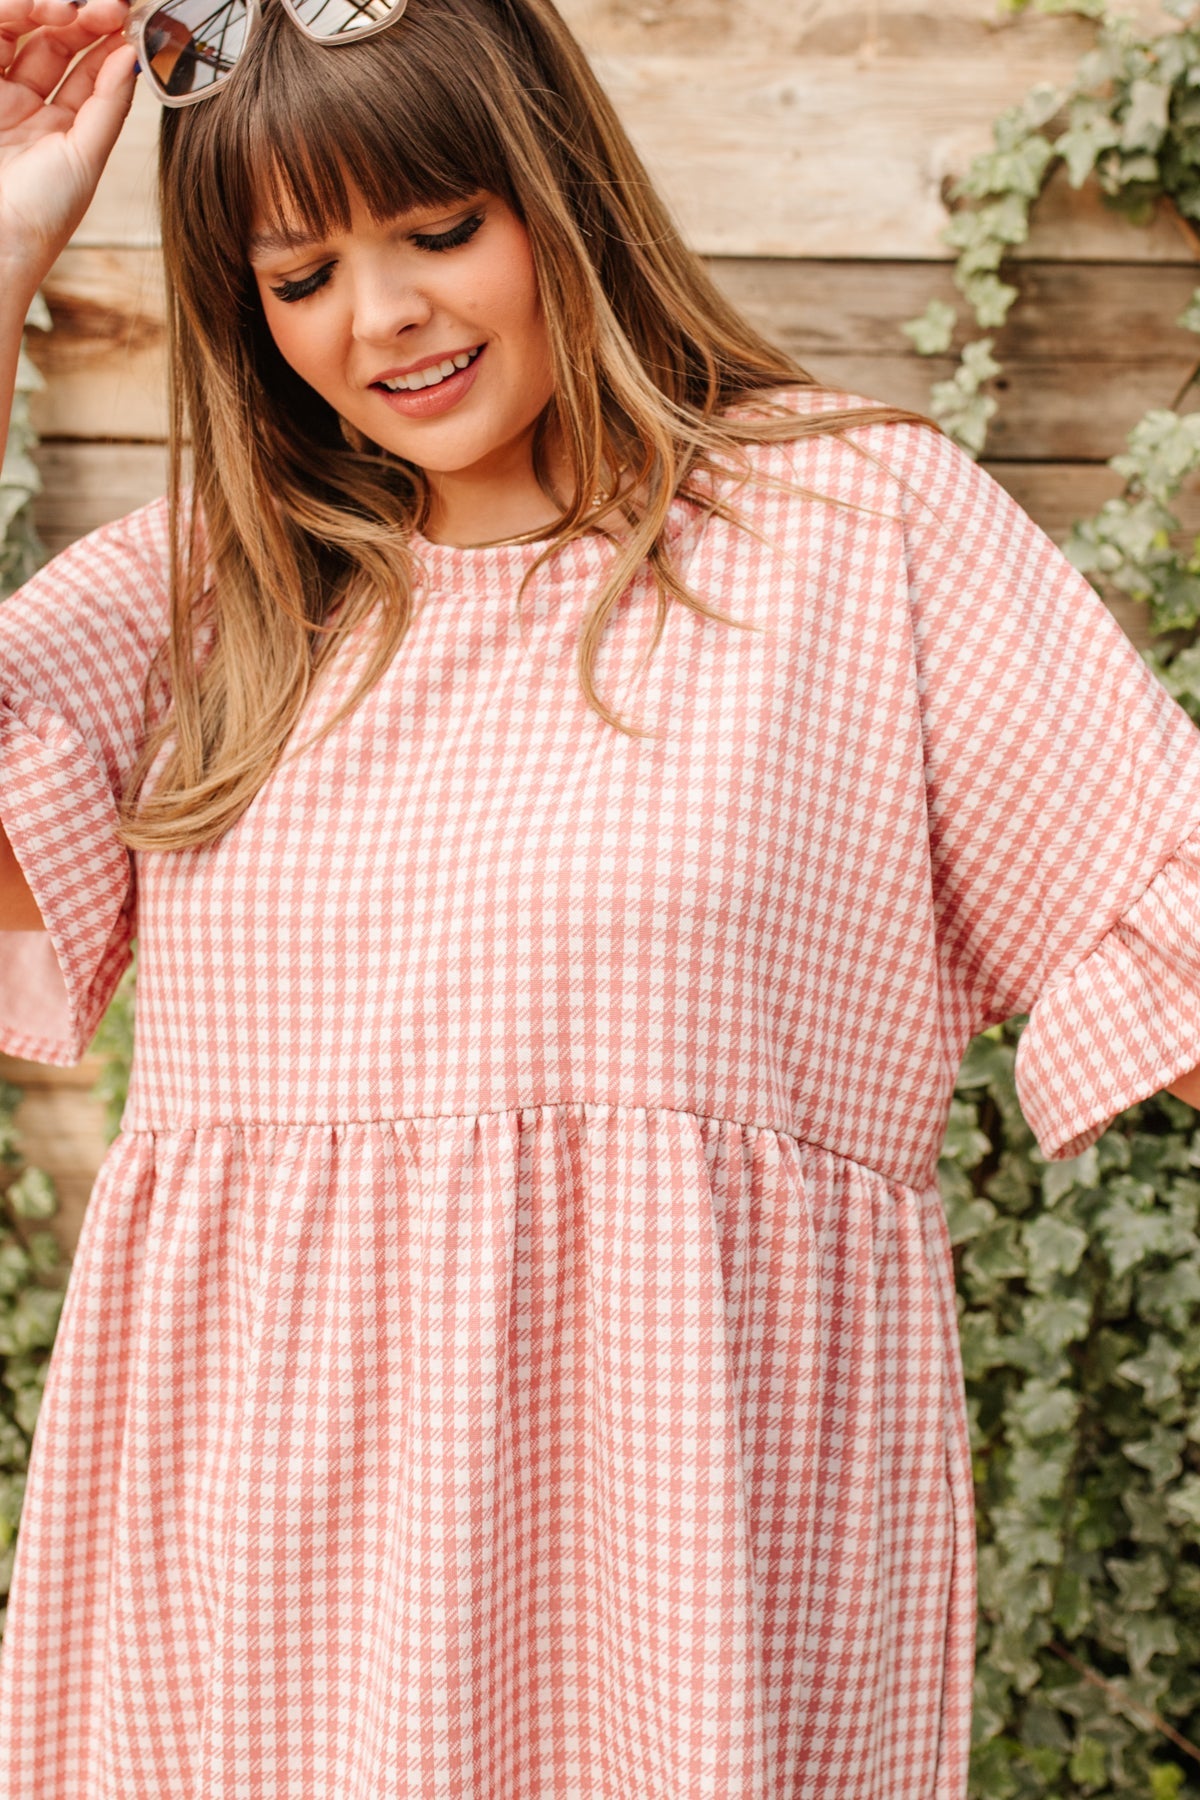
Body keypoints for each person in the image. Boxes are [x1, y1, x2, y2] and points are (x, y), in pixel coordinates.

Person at [1, 0, 1200, 1793]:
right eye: (301, 270)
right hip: (239, 1647)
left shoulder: (853, 529)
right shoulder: (204, 601)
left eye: (437, 227)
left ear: (558, 192)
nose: (383, 315)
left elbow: (1167, 906)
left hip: (695, 1624)